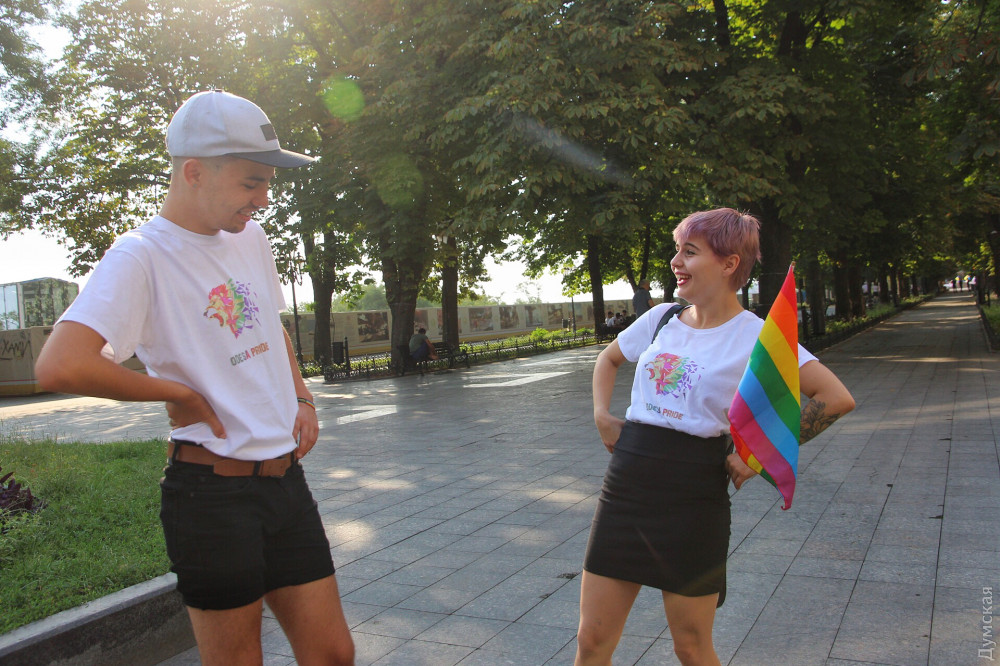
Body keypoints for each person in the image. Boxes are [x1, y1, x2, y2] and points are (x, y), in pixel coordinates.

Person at [34, 91, 354, 666]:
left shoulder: (250, 238)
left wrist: (302, 396)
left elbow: (270, 324)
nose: (263, 199)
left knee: (333, 654)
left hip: (285, 484)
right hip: (211, 495)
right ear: (194, 172)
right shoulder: (140, 255)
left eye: (268, 184)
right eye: (251, 183)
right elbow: (61, 363)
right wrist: (176, 392)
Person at [575, 208, 855, 666]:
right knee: (591, 640)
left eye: (690, 252)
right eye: (677, 250)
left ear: (729, 264)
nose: (675, 262)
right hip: (626, 486)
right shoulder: (661, 318)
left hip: (693, 494)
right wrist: (601, 414)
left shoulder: (758, 337)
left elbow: (836, 398)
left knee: (690, 646)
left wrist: (757, 455)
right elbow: (608, 359)